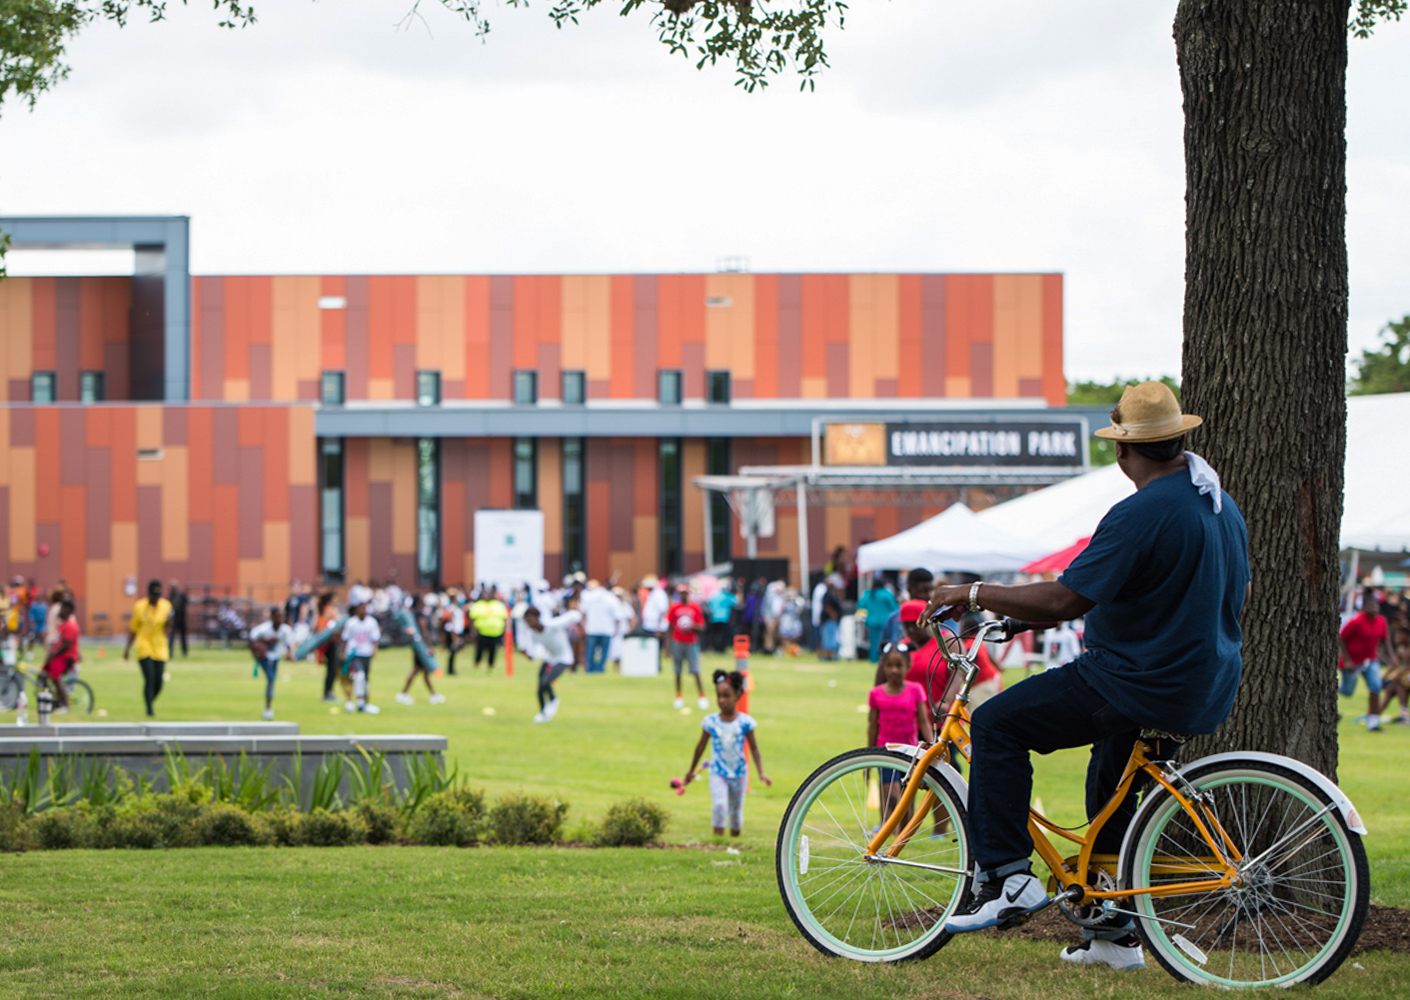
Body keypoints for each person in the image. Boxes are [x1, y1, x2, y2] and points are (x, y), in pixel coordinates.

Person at [924, 382, 1249, 973]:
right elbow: (1161, 592)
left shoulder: (1141, 511)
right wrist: (1022, 618)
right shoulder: (1215, 503)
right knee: (1109, 792)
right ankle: (1113, 935)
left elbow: (1065, 598)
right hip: (1200, 681)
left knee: (996, 723)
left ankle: (1007, 879)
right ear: (1177, 439)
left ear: (1123, 451)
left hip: (1137, 680)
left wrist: (971, 593)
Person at [682, 669, 771, 836]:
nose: (721, 700)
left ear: (738, 695)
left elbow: (754, 748)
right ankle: (718, 841)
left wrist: (761, 773)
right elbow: (700, 746)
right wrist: (691, 770)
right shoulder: (711, 722)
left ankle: (734, 839)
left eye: (726, 696)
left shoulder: (745, 722)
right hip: (718, 773)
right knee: (720, 806)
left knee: (735, 813)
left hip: (739, 774)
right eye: (718, 696)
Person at [867, 642, 933, 824]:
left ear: (908, 666)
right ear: (883, 667)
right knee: (891, 795)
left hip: (909, 753)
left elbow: (923, 722)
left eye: (899, 665)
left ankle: (903, 833)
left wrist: (932, 747)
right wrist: (868, 757)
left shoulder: (915, 690)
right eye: (889, 665)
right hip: (885, 752)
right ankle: (885, 826)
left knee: (906, 799)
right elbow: (872, 726)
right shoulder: (876, 694)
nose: (894, 670)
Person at [1338, 590, 1399, 732]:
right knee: (1347, 692)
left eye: (1375, 605)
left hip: (1371, 659)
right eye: (1370, 605)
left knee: (1375, 687)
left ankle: (1373, 723)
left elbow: (1385, 640)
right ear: (1364, 607)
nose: (1374, 608)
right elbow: (1342, 638)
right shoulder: (1356, 621)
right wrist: (1347, 660)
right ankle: (1333, 686)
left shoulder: (1381, 621)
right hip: (1353, 661)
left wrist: (1392, 657)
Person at [522, 602, 582, 723]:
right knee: (540, 686)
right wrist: (529, 655)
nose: (528, 624)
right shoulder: (534, 633)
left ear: (537, 618)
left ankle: (554, 700)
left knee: (546, 682)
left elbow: (571, 616)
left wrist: (577, 614)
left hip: (564, 658)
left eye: (530, 620)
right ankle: (543, 712)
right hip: (550, 658)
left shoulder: (552, 625)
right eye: (526, 621)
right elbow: (535, 651)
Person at [124, 579, 173, 717]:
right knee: (150, 678)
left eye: (157, 596)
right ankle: (149, 709)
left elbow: (167, 628)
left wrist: (169, 623)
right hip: (144, 646)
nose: (155, 600)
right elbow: (133, 629)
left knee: (158, 682)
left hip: (160, 647)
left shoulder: (166, 606)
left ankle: (149, 700)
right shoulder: (139, 607)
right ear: (148, 594)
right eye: (153, 596)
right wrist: (127, 649)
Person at [248, 607, 294, 720]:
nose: (280, 618)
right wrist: (255, 652)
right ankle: (268, 708)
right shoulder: (264, 629)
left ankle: (268, 707)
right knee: (271, 678)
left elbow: (289, 643)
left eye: (282, 616)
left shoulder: (285, 630)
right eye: (278, 616)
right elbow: (251, 638)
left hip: (276, 656)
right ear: (272, 617)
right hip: (264, 657)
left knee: (272, 680)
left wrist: (290, 654)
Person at [667, 587, 708, 710]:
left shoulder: (695, 608)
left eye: (685, 593)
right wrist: (668, 647)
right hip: (677, 641)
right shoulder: (674, 607)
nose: (683, 595)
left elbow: (702, 626)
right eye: (681, 593)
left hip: (691, 642)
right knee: (677, 671)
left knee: (695, 670)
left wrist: (692, 627)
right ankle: (678, 696)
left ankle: (701, 696)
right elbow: (669, 626)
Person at [340, 602, 381, 714]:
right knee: (359, 676)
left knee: (366, 679)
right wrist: (343, 653)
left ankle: (365, 702)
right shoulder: (351, 623)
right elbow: (345, 638)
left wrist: (374, 649)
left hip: (366, 653)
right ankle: (358, 701)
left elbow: (375, 638)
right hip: (354, 653)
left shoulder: (371, 622)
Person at [43, 599, 79, 712]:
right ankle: (51, 700)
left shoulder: (70, 625)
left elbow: (66, 644)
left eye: (62, 609)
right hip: (59, 656)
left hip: (66, 656)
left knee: (56, 678)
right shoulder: (62, 625)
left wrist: (54, 654)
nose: (60, 611)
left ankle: (65, 705)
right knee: (43, 674)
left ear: (68, 610)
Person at [857, 574, 900, 663]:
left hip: (873, 622)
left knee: (873, 642)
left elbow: (860, 604)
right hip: (886, 622)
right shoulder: (886, 593)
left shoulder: (869, 594)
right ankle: (884, 658)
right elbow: (895, 607)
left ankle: (873, 659)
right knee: (885, 641)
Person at [579, 580, 619, 673]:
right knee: (603, 652)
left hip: (592, 629)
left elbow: (582, 613)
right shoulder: (611, 598)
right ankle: (599, 669)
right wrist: (615, 629)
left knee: (590, 651)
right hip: (606, 629)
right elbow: (616, 617)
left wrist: (584, 626)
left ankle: (590, 669)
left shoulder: (589, 597)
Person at [469, 587, 509, 670]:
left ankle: (490, 666)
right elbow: (472, 618)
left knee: (493, 651)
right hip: (482, 632)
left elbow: (505, 617)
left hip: (495, 632)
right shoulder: (479, 604)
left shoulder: (498, 605)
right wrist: (473, 630)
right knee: (479, 650)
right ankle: (477, 664)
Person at [640, 574, 671, 670]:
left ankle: (656, 666)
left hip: (656, 626)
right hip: (650, 625)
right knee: (651, 648)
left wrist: (658, 627)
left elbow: (662, 611)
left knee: (656, 648)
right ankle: (652, 665)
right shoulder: (653, 593)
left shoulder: (659, 594)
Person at [705, 582, 737, 653]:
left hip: (713, 618)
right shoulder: (726, 596)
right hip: (723, 618)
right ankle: (721, 649)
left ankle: (714, 648)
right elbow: (735, 602)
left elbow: (708, 603)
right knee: (723, 634)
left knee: (714, 634)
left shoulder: (714, 595)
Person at [818, 574, 844, 661]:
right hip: (828, 620)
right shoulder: (827, 595)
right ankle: (826, 655)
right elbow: (826, 606)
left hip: (833, 621)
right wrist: (833, 614)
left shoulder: (833, 595)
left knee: (832, 638)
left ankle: (830, 655)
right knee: (828, 639)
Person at [167, 580, 189, 657]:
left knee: (183, 636)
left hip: (181, 618)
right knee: (172, 636)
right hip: (174, 619)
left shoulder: (181, 596)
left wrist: (186, 618)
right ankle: (170, 652)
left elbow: (186, 608)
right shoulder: (170, 597)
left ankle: (184, 652)